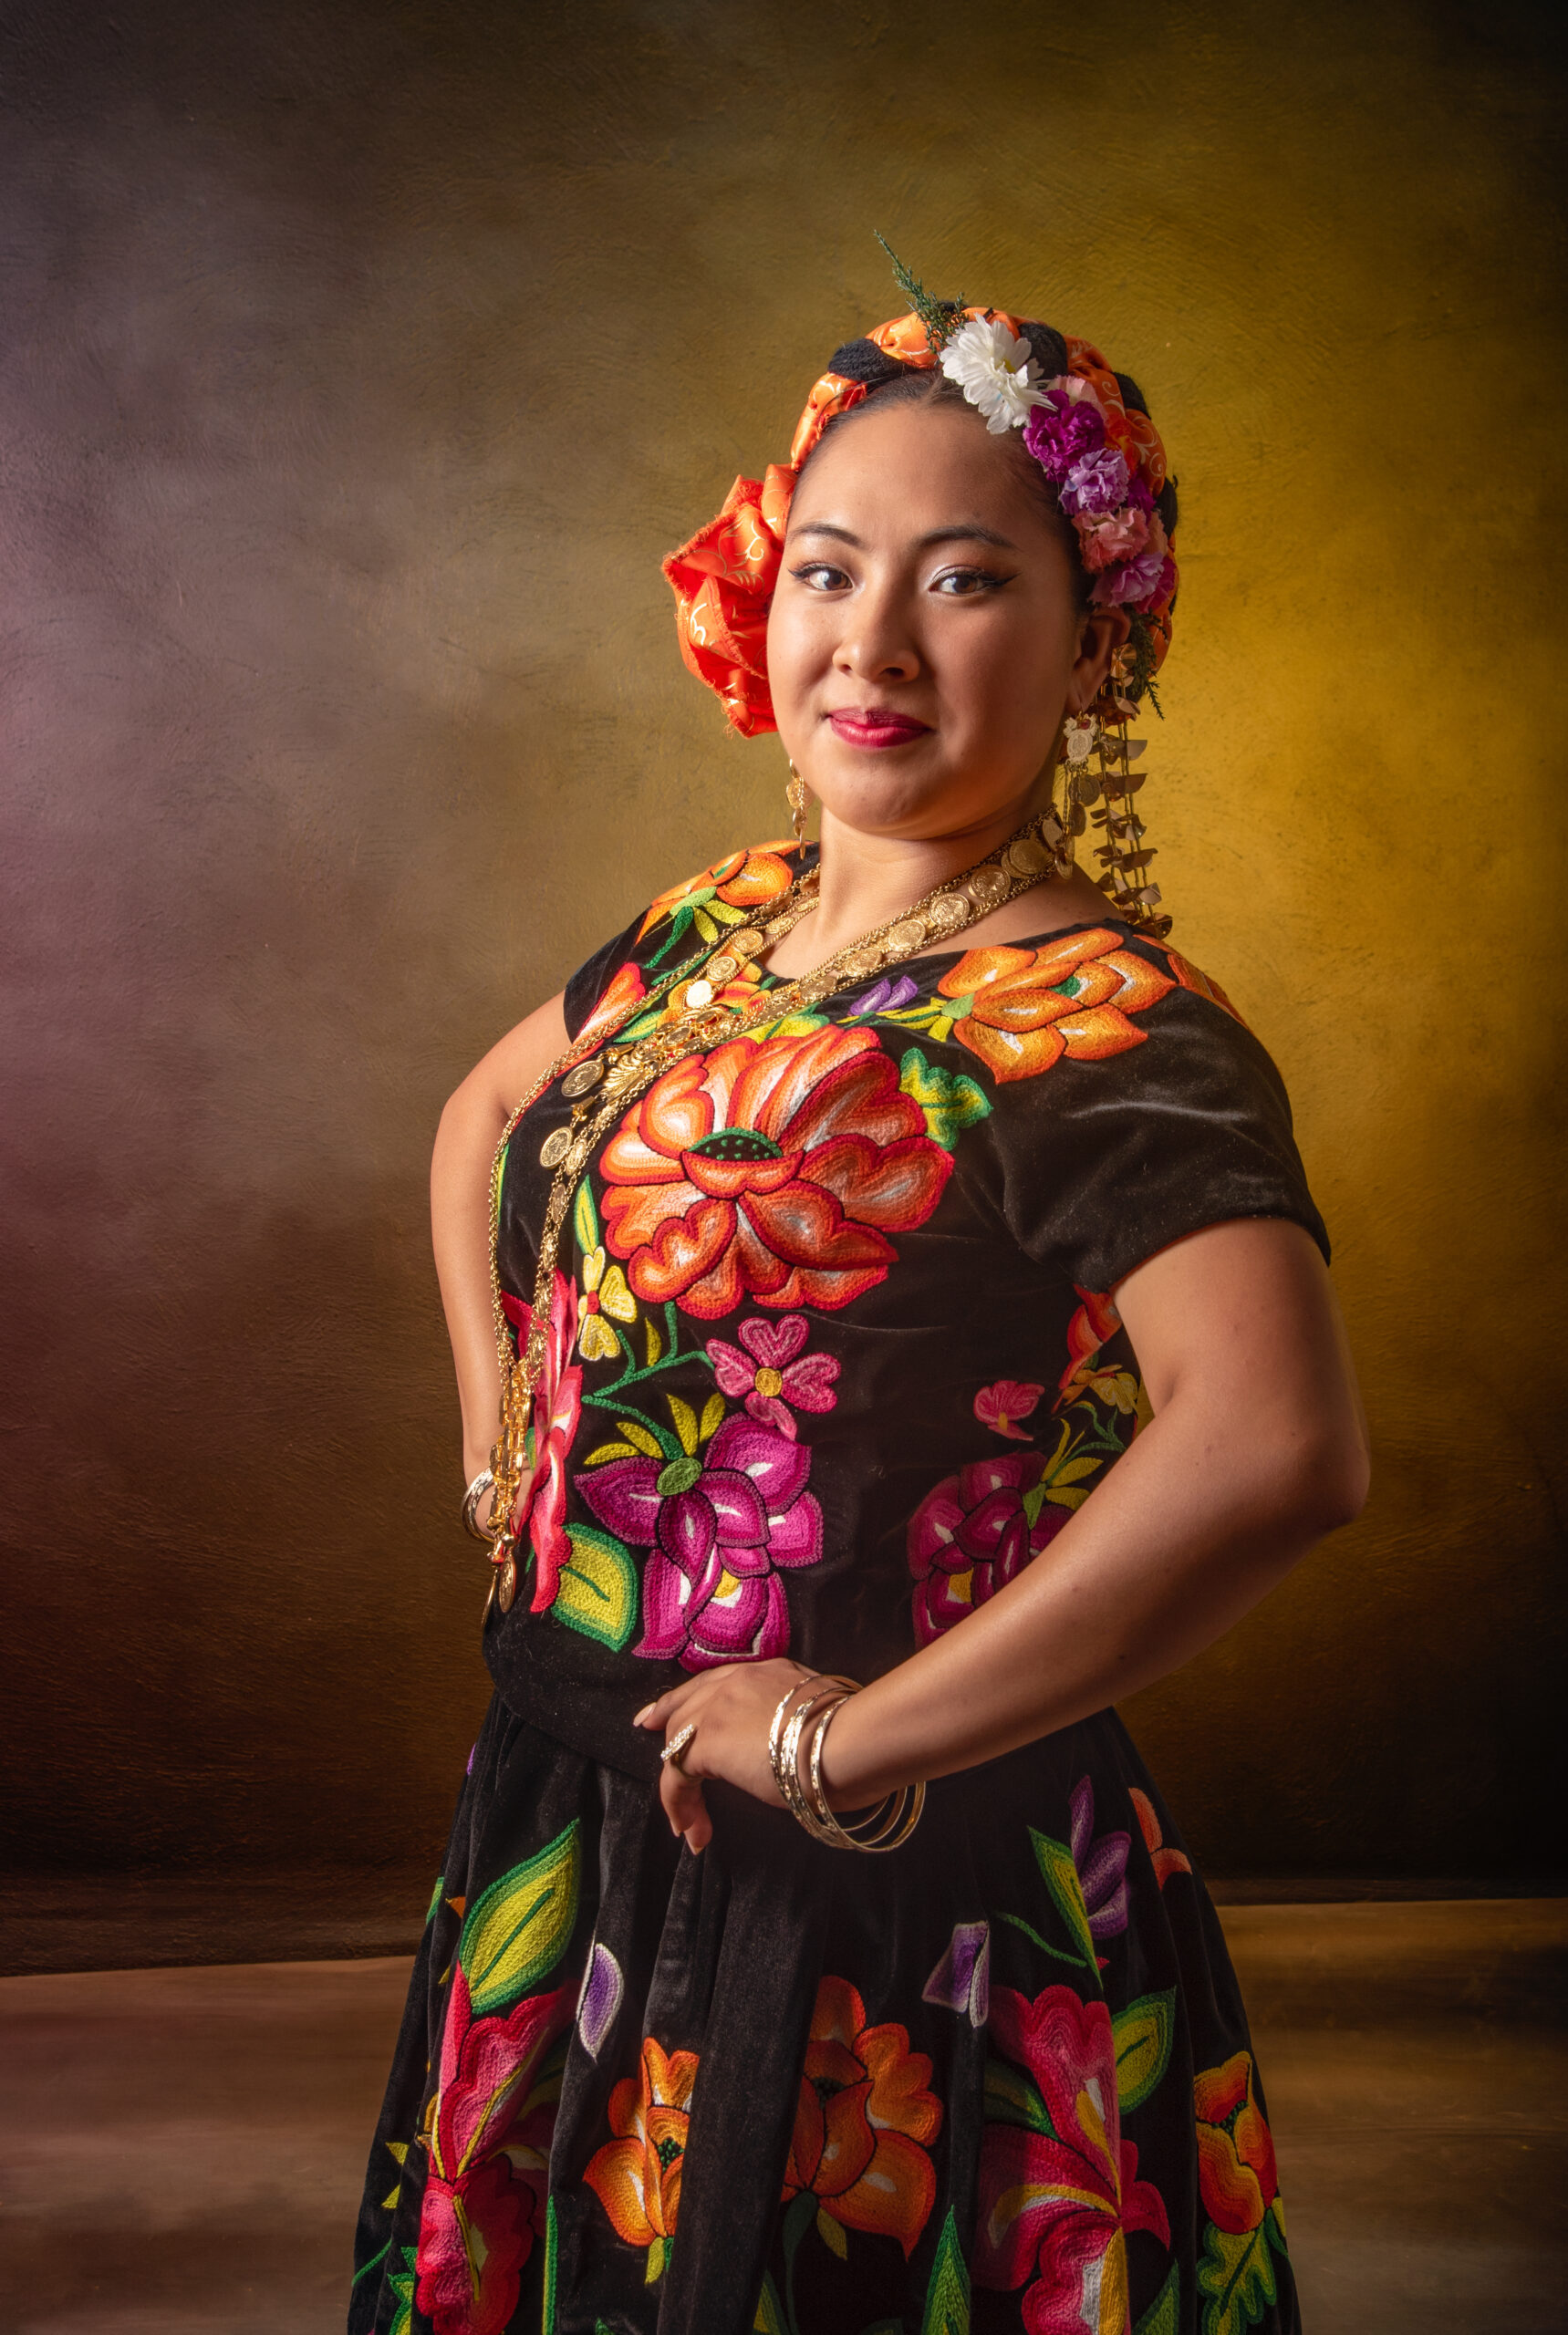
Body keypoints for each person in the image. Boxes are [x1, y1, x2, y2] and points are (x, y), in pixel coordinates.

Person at [349, 272, 1367, 2335]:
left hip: (903, 1885)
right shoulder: (710, 929)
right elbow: (480, 1117)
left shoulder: (1103, 1027)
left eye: (965, 577)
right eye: (827, 569)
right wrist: (498, 1432)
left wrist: (842, 1734)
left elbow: (1274, 1445)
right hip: (575, 1812)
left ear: (1097, 640)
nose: (871, 644)